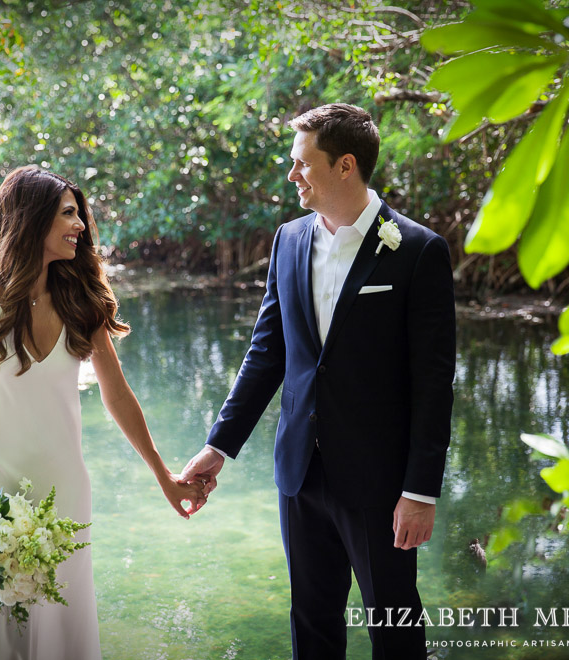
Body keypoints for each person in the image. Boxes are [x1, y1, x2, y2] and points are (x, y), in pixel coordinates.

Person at [181, 104, 456, 659]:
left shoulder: (419, 250)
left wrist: (419, 491)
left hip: (381, 483)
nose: (292, 176)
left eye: (302, 164)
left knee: (395, 628)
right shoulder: (287, 240)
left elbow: (434, 383)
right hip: (299, 473)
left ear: (345, 166)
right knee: (312, 623)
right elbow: (267, 353)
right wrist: (219, 447)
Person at [0, 165, 204, 659]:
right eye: (68, 214)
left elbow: (118, 394)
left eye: (79, 214)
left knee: (62, 629)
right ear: (31, 220)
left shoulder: (79, 295)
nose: (81, 225)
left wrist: (164, 475)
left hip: (66, 490)